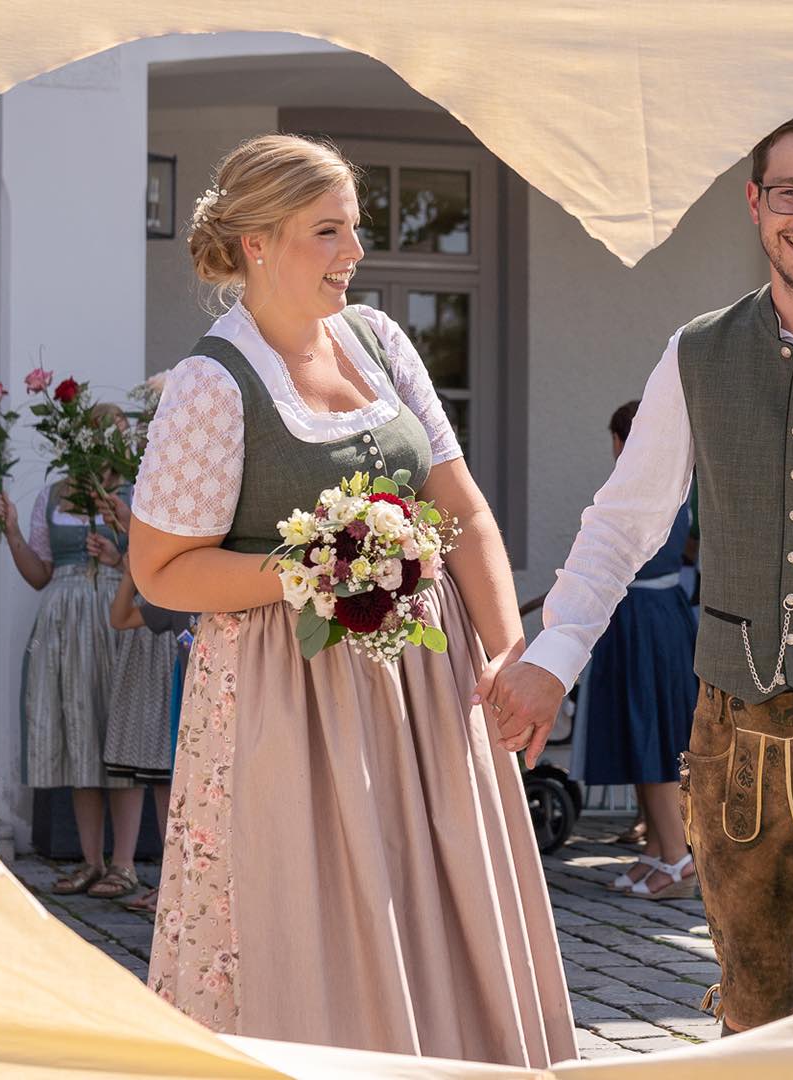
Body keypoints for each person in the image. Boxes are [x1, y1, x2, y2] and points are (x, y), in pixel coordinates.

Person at [487, 101, 793, 1034]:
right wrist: (553, 655)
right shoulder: (697, 351)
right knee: (750, 1011)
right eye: (791, 192)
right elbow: (624, 522)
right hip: (731, 731)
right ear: (755, 203)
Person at [128, 133, 573, 1065]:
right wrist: (315, 567)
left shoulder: (380, 341)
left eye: (355, 229)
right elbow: (161, 571)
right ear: (257, 243)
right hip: (289, 699)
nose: (355, 253)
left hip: (431, 690)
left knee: (439, 900)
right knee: (312, 912)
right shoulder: (213, 385)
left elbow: (465, 511)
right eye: (328, 231)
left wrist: (507, 653)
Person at [0, 460, 147, 901]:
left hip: (117, 618)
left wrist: (118, 557)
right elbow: (39, 575)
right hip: (63, 622)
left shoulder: (137, 494)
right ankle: (92, 860)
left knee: (119, 738)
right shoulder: (53, 494)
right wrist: (12, 530)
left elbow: (154, 558)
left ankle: (125, 864)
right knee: (80, 734)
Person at [582, 400, 700, 900]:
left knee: (654, 734)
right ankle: (658, 847)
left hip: (646, 622)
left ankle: (678, 857)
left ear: (618, 440)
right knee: (641, 733)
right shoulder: (676, 481)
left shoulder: (644, 482)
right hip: (652, 616)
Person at [105, 556, 191, 912]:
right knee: (177, 795)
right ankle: (173, 887)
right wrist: (131, 571)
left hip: (229, 713)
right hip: (188, 713)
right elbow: (120, 618)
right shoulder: (180, 599)